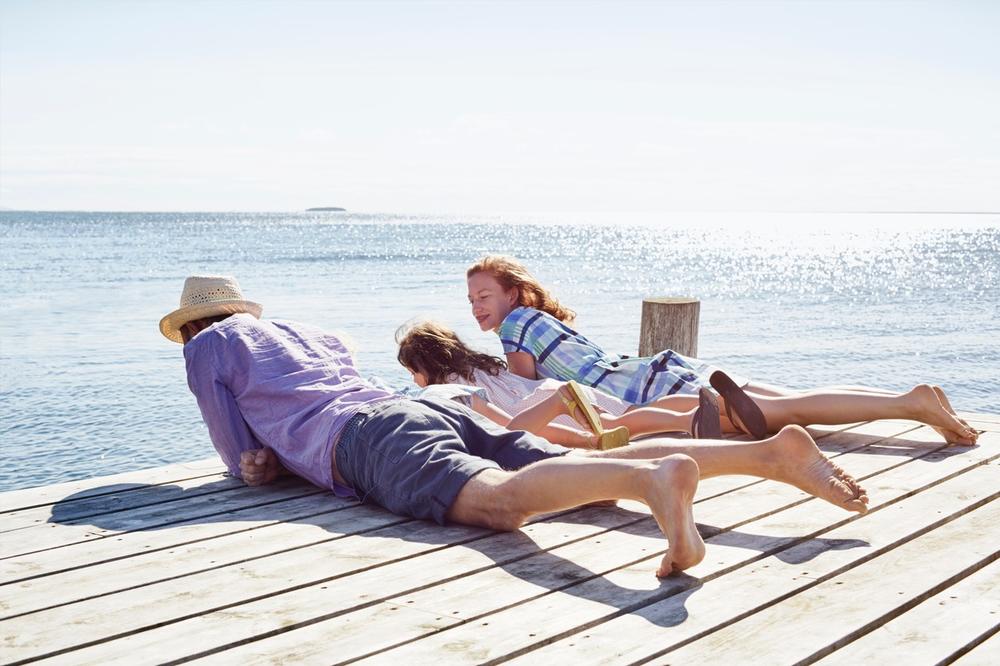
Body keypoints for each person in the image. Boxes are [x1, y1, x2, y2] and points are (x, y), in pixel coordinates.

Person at [162, 275, 870, 578]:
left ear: (195, 323)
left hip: (369, 442)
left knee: (501, 502)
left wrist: (256, 466)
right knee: (559, 474)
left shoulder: (207, 345)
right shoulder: (311, 332)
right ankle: (770, 456)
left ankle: (652, 478)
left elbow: (237, 451)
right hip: (433, 410)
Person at [465, 254, 979, 446]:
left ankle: (910, 406)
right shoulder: (544, 318)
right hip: (662, 367)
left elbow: (535, 387)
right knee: (796, 402)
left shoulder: (516, 327)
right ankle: (908, 401)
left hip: (645, 387)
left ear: (511, 294)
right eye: (471, 300)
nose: (476, 307)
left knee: (791, 411)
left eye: (484, 296)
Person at [396, 319, 728, 446]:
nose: (413, 379)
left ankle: (693, 418)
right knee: (627, 415)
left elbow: (500, 419)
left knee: (619, 422)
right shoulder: (482, 364)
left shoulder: (450, 387)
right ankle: (694, 414)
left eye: (412, 371)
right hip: (556, 389)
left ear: (424, 366)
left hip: (542, 408)